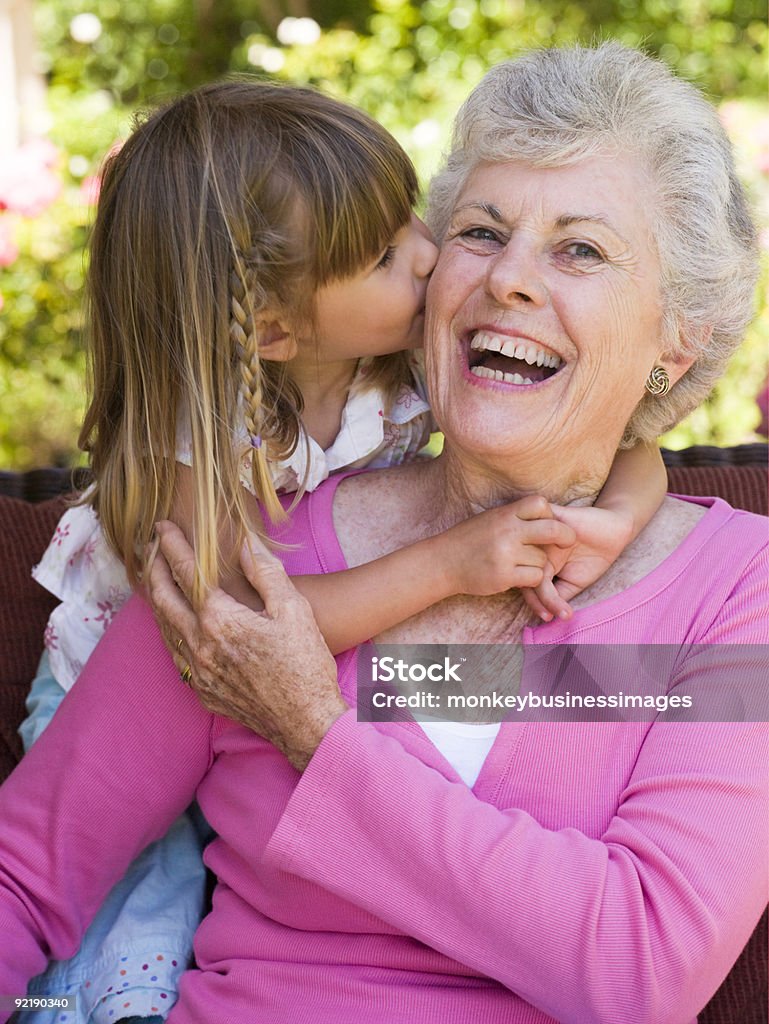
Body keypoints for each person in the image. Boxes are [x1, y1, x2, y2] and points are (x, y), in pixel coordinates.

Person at [1, 42, 766, 1024]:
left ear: (675, 342)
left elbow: (640, 968)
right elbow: (25, 877)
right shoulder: (249, 566)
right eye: (481, 234)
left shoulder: (740, 589)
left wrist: (314, 731)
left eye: (579, 249)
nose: (507, 282)